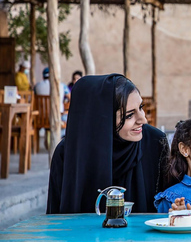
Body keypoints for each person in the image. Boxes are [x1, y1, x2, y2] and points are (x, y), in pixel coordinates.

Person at [47, 74, 170, 214]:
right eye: (129, 115)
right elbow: (55, 217)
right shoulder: (67, 153)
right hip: (83, 235)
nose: (143, 119)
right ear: (103, 121)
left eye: (141, 107)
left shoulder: (155, 143)